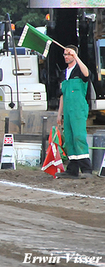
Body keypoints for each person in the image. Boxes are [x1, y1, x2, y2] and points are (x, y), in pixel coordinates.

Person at [56, 45, 93, 179]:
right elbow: (62, 95)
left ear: (74, 55)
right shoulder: (63, 73)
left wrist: (76, 57)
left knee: (79, 136)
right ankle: (72, 169)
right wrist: (59, 113)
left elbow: (87, 74)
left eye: (69, 54)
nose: (66, 56)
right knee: (70, 139)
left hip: (78, 109)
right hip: (67, 110)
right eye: (65, 54)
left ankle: (87, 169)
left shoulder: (79, 70)